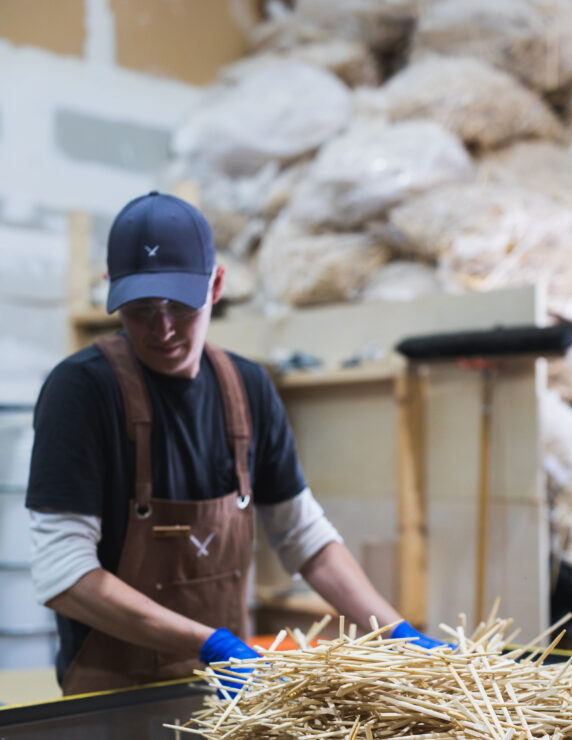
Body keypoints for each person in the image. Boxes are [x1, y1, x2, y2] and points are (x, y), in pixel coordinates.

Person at [26, 191, 444, 696]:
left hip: (232, 701)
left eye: (179, 305)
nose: (162, 329)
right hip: (113, 701)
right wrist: (212, 646)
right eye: (139, 310)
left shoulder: (247, 389)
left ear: (216, 284)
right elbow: (63, 575)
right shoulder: (82, 391)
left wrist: (396, 634)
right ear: (110, 292)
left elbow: (305, 540)